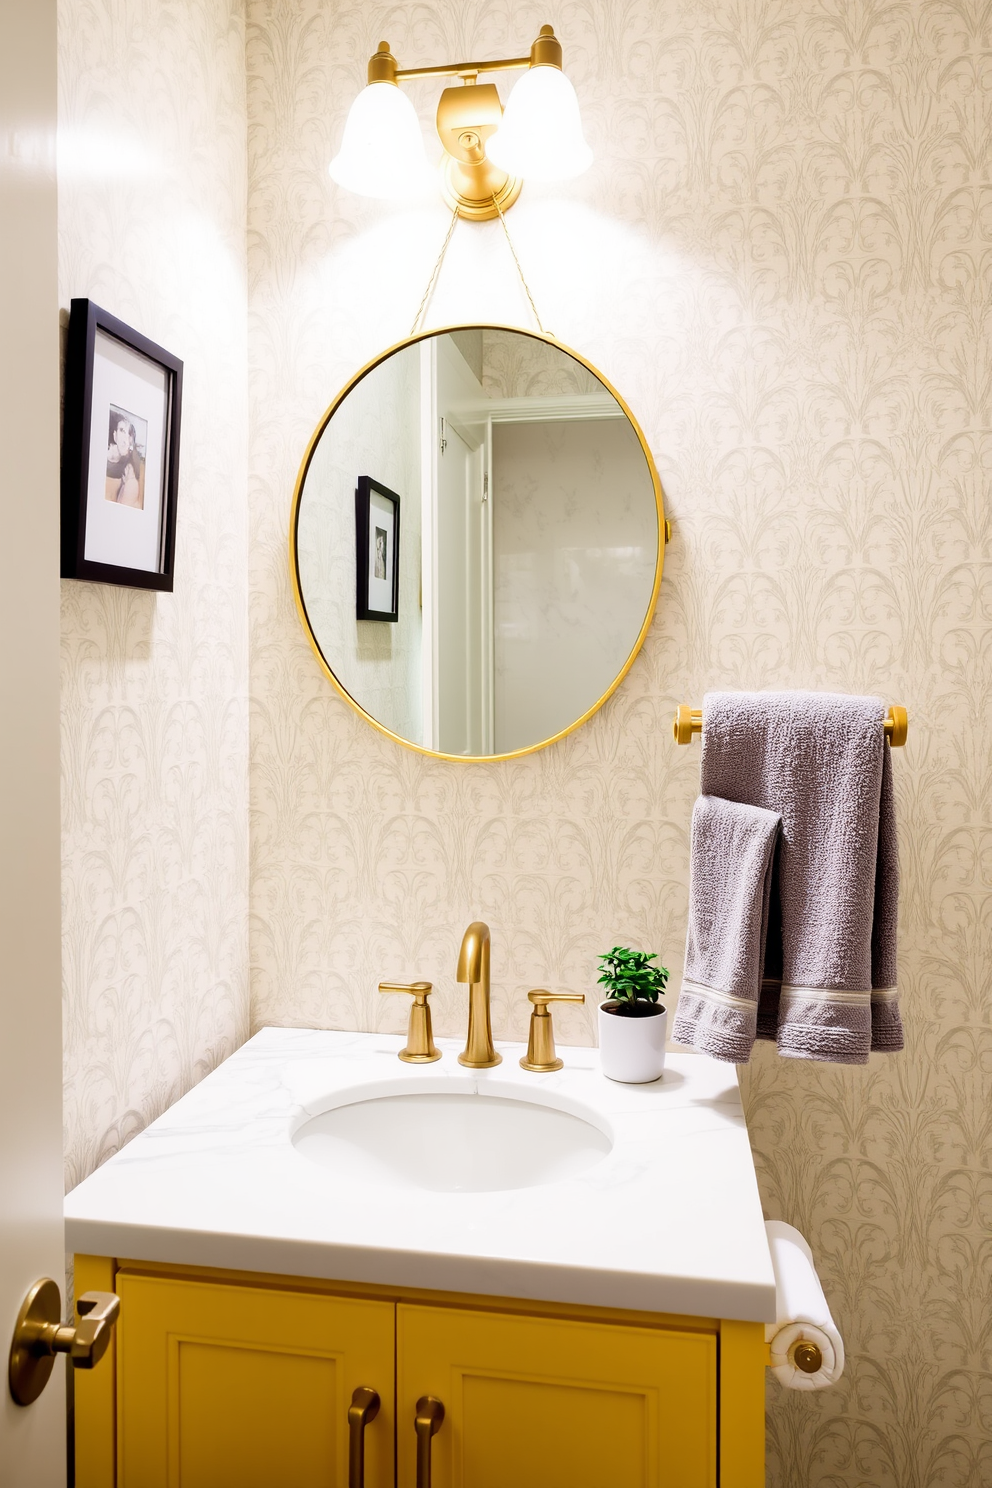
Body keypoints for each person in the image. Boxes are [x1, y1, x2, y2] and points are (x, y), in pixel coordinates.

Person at [106, 412, 143, 508]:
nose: (125, 439)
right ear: (115, 435)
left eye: (129, 434)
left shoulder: (130, 467)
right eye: (122, 430)